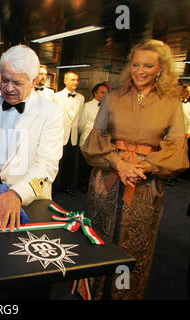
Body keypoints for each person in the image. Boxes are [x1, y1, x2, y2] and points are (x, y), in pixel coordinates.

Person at [81, 39, 189, 299]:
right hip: (106, 177)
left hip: (145, 183)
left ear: (161, 68)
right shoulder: (114, 96)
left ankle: (124, 295)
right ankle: (93, 292)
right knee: (98, 235)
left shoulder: (171, 101)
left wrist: (144, 165)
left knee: (136, 245)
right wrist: (118, 163)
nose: (140, 71)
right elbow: (95, 138)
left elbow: (177, 148)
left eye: (148, 66)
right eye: (136, 64)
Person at [0, 44, 64, 232]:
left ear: (34, 81)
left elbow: (47, 166)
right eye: (5, 80)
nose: (8, 88)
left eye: (17, 83)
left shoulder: (52, 113)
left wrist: (17, 194)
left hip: (31, 203)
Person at [53, 71, 85, 196]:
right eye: (72, 80)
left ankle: (66, 187)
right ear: (65, 81)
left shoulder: (81, 98)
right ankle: (53, 189)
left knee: (70, 164)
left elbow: (80, 118)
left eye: (77, 80)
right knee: (56, 163)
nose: (75, 82)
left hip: (73, 136)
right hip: (60, 135)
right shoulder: (56, 97)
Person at [77, 82, 109, 192]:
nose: (105, 95)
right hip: (87, 140)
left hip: (101, 143)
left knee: (96, 167)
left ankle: (94, 186)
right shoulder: (87, 106)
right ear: (95, 94)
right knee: (84, 167)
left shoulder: (109, 108)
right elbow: (81, 124)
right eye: (102, 92)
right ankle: (82, 185)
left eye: (106, 92)